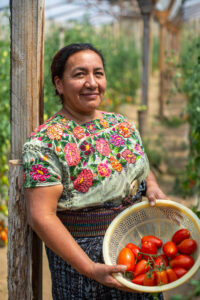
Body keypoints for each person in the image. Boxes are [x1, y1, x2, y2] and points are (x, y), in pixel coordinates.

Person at [23, 43, 167, 300]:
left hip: (138, 251)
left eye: (98, 73)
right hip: (82, 265)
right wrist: (90, 268)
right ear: (59, 84)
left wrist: (152, 185)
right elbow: (41, 216)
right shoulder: (45, 142)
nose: (92, 83)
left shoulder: (120, 125)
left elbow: (140, 166)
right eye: (80, 74)